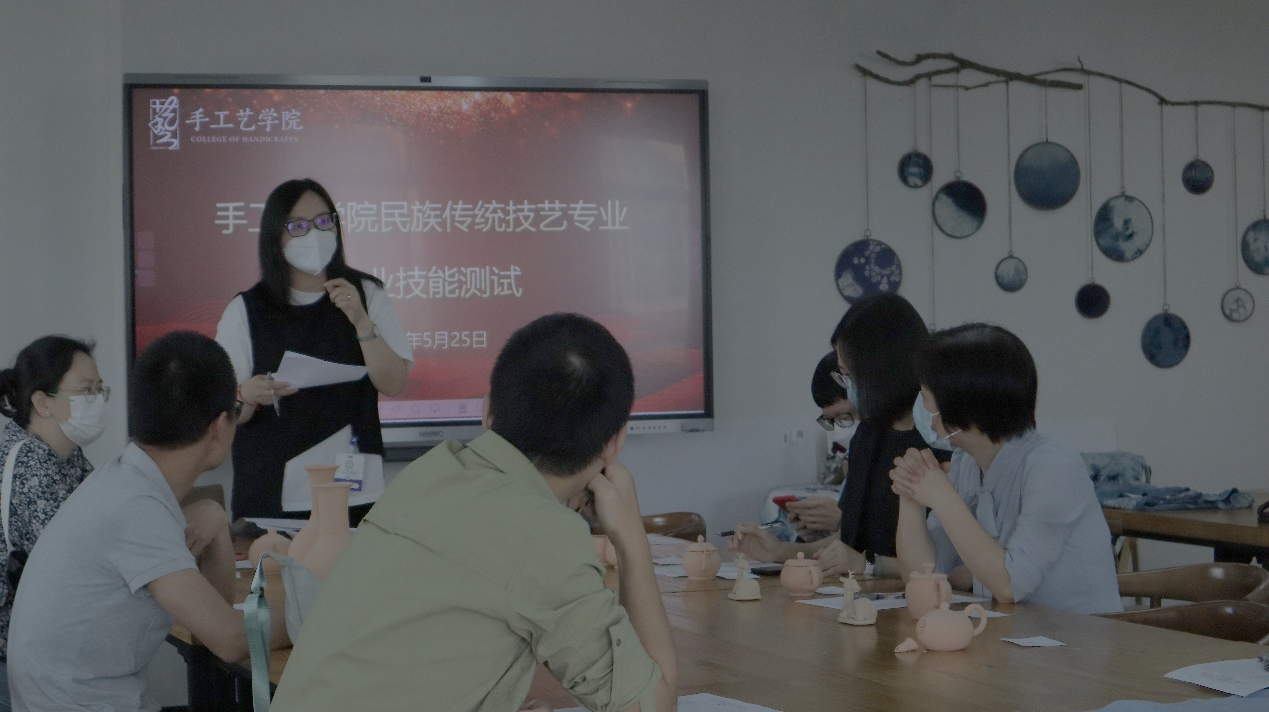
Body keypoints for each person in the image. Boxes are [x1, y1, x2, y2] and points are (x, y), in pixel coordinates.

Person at [270, 314, 677, 712]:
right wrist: (631, 540)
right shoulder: (544, 535)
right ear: (615, 442)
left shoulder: (432, 472)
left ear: (487, 411)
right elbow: (653, 705)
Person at [7, 332, 288, 711]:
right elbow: (230, 639)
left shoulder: (125, 479)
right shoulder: (135, 506)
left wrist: (218, 526)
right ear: (220, 426)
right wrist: (316, 614)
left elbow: (212, 627)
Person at [215, 178, 413, 524]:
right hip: (271, 489)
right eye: (298, 226)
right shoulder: (246, 309)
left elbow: (393, 383)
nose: (315, 234)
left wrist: (361, 321)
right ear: (275, 237)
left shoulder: (366, 293)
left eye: (323, 221)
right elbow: (226, 409)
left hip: (353, 483)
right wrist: (247, 393)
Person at [890, 323, 1122, 614]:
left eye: (926, 396)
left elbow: (1010, 585)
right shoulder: (965, 462)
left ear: (963, 406)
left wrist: (942, 498)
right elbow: (923, 575)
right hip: (1010, 631)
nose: (921, 407)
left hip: (1079, 635)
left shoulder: (1053, 464)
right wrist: (911, 494)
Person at [730, 294, 946, 578]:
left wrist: (869, 565)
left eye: (849, 376)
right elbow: (848, 544)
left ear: (880, 370)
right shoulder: (869, 435)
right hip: (861, 595)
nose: (849, 388)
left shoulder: (943, 439)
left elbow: (952, 568)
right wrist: (780, 551)